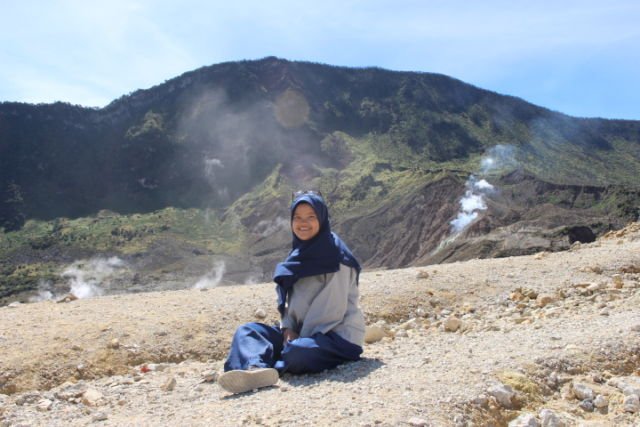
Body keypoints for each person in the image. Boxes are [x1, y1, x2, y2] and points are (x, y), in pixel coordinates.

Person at [217, 191, 366, 394]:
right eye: (297, 218)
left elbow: (331, 311)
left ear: (322, 219)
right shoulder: (300, 253)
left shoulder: (336, 258)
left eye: (311, 217)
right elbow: (292, 302)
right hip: (300, 334)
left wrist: (296, 339)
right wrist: (287, 329)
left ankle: (267, 362)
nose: (303, 223)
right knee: (248, 331)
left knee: (298, 352)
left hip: (336, 337)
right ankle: (255, 369)